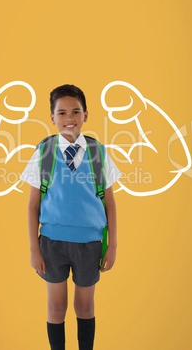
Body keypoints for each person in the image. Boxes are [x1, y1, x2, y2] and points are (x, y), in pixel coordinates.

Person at [21, 84, 121, 350]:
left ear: (86, 115)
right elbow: (33, 205)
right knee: (56, 307)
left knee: (85, 307)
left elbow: (109, 202)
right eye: (62, 112)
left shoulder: (98, 152)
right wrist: (34, 249)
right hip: (52, 244)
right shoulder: (44, 153)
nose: (69, 118)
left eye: (76, 111)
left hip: (90, 245)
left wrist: (111, 245)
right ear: (52, 117)